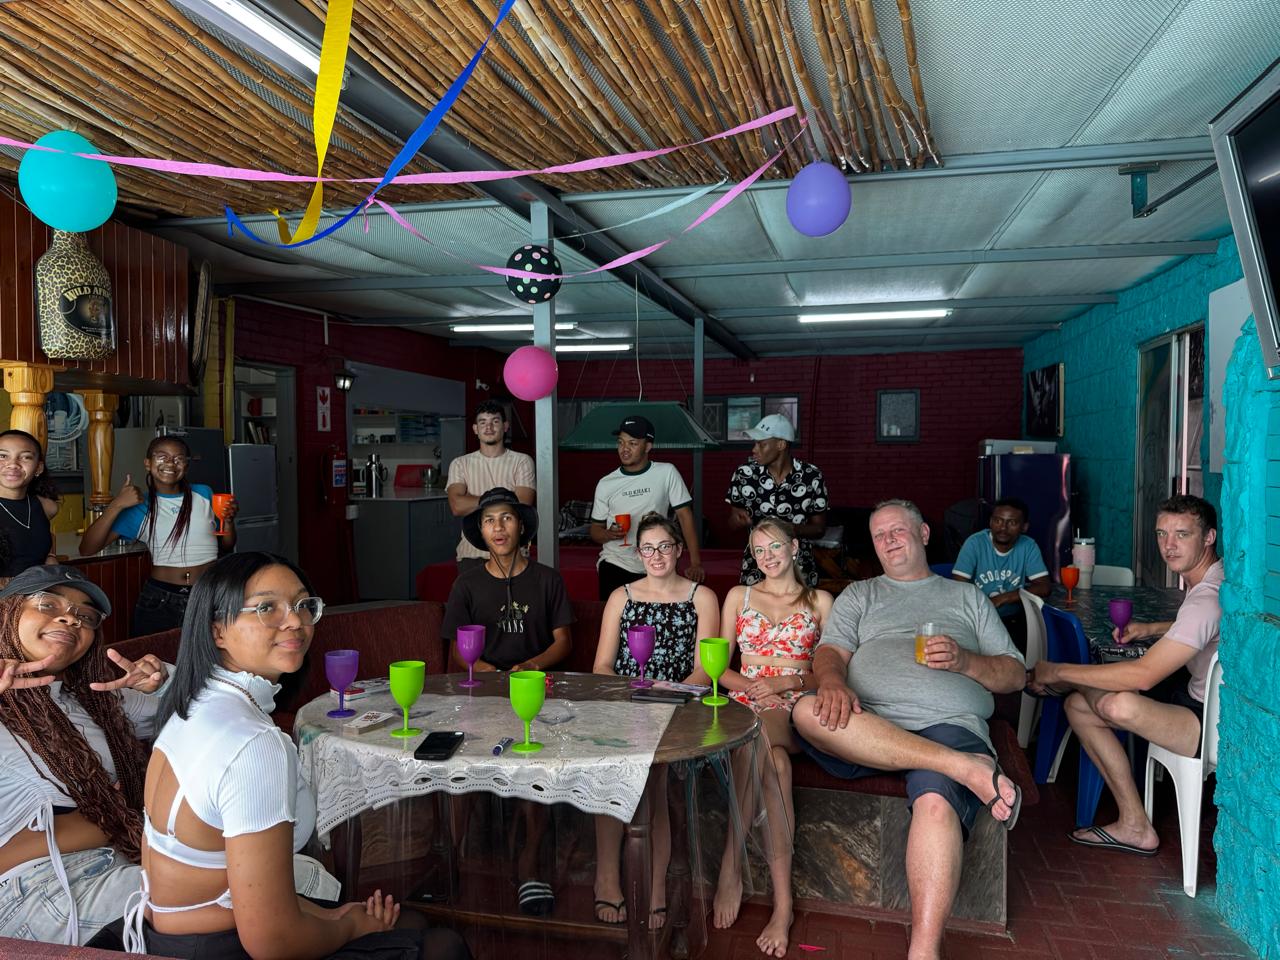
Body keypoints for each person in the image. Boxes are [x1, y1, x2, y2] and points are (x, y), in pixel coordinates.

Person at [122, 551, 469, 960]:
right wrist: (351, 925)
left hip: (170, 932)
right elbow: (272, 943)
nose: (295, 621)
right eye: (267, 607)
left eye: (303, 605)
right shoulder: (253, 744)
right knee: (444, 946)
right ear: (217, 631)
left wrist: (336, 916)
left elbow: (234, 886)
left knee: (410, 923)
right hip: (215, 947)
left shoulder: (193, 705)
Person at [791, 500, 1025, 960]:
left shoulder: (967, 597)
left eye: (897, 530)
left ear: (923, 534)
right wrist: (832, 682)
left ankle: (923, 952)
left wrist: (965, 661)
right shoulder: (859, 595)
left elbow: (1015, 675)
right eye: (879, 535)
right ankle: (963, 767)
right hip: (870, 722)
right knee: (804, 711)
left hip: (947, 722)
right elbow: (830, 652)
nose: (889, 540)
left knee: (936, 804)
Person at [1031, 494, 1221, 856]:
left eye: (1182, 534)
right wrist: (1152, 627)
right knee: (1077, 706)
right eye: (1162, 534)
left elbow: (1143, 675)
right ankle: (1135, 825)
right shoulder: (1213, 579)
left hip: (1209, 725)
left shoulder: (1205, 598)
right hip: (1190, 697)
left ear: (1209, 536)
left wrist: (1056, 670)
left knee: (1117, 704)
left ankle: (1065, 682)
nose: (1169, 545)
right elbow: (1202, 628)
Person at [0, 564, 169, 946]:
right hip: (36, 890)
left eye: (86, 615)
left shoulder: (98, 699)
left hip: (119, 861)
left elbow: (196, 709)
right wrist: (114, 816)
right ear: (7, 612)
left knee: (289, 877)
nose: (70, 618)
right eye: (48, 603)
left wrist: (161, 679)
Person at [442, 488, 572, 917]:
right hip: (483, 693)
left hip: (536, 692)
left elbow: (563, 641)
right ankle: (451, 860)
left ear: (521, 527)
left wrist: (530, 666)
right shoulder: (467, 583)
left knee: (536, 766)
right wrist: (489, 673)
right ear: (480, 532)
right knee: (457, 765)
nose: (498, 528)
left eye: (506, 518)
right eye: (489, 520)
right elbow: (457, 651)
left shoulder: (547, 579)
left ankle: (530, 863)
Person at [712, 519, 834, 957]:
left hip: (797, 705)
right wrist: (752, 687)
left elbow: (832, 671)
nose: (768, 557)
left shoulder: (820, 601)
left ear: (794, 547)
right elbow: (719, 669)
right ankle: (784, 905)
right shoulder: (738, 596)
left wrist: (784, 683)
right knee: (775, 765)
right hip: (747, 700)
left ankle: (731, 864)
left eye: (775, 547)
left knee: (760, 732)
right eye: (759, 550)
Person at [591, 513, 719, 929]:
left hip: (679, 707)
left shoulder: (701, 597)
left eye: (665, 546)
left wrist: (666, 696)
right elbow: (602, 666)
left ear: (679, 549)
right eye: (648, 548)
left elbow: (704, 671)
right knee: (608, 773)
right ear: (638, 553)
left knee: (654, 780)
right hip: (625, 704)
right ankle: (607, 879)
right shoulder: (621, 596)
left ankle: (657, 887)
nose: (657, 555)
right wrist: (631, 695)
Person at [80, 435, 238, 638]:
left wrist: (229, 521)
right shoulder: (138, 507)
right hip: (162, 600)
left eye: (179, 458)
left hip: (209, 593)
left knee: (210, 655)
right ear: (148, 463)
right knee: (156, 656)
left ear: (186, 466)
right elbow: (87, 549)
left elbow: (227, 545)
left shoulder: (204, 494)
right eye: (162, 457)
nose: (170, 463)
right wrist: (116, 504)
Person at [590, 416, 704, 600]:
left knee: (659, 616)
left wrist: (695, 562)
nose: (624, 449)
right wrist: (608, 534)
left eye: (633, 443)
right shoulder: (606, 483)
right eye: (620, 442)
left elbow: (685, 516)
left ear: (648, 446)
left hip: (656, 561)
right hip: (616, 562)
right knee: (615, 616)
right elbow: (595, 530)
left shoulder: (666, 472)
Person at [725, 414, 828, 588]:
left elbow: (819, 529)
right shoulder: (744, 475)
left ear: (781, 445)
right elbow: (732, 522)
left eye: (761, 444)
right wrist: (737, 521)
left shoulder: (811, 476)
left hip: (798, 568)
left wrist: (791, 530)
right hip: (757, 567)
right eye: (755, 443)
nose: (754, 449)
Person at [446, 401, 535, 573]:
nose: (489, 427)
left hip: (513, 554)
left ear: (505, 426)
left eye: (495, 421)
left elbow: (522, 504)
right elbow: (457, 506)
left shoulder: (522, 461)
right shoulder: (460, 464)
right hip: (472, 554)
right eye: (483, 422)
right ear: (475, 429)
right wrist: (502, 498)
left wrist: (475, 500)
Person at [951, 497, 1050, 648]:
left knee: (1025, 652)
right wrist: (984, 608)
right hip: (977, 619)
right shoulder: (975, 543)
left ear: (1024, 527)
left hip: (1012, 619)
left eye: (1012, 522)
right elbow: (958, 587)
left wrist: (1003, 598)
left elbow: (1044, 587)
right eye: (998, 520)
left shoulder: (1028, 546)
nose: (1003, 528)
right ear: (990, 522)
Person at [0, 429, 61, 576]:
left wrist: (50, 556)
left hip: (41, 588)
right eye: (2, 456)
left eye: (25, 457)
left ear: (38, 468)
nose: (13, 464)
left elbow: (34, 539)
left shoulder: (47, 506)